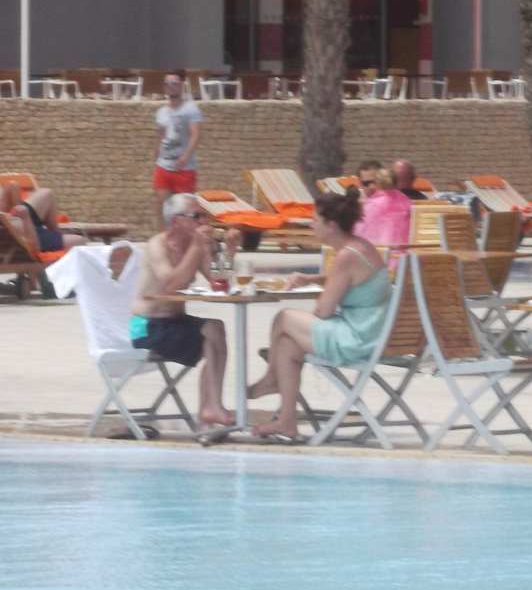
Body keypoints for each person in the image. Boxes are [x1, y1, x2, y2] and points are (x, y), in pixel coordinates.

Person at [247, 189, 390, 441]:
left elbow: (323, 312)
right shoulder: (360, 247)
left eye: (315, 220)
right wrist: (311, 279)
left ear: (331, 225)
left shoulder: (346, 256)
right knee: (287, 344)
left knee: (284, 318)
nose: (311, 224)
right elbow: (349, 279)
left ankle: (271, 379)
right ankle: (286, 422)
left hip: (359, 339)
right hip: (372, 332)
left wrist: (316, 305)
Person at [129, 193, 235, 427]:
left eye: (204, 216)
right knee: (211, 334)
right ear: (176, 221)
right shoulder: (157, 245)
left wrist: (230, 250)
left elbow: (219, 282)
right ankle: (210, 408)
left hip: (175, 321)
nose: (203, 222)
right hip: (147, 326)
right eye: (197, 216)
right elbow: (170, 285)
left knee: (215, 329)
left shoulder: (196, 245)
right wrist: (197, 248)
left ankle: (211, 407)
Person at [152, 70, 203, 225]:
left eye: (174, 83)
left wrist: (186, 155)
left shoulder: (190, 109)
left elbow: (195, 134)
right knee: (162, 205)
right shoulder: (162, 112)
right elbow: (160, 134)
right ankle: (164, 235)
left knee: (185, 207)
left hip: (184, 167)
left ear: (181, 85)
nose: (171, 86)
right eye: (167, 84)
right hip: (164, 164)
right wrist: (156, 152)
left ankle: (187, 236)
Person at [0, 181, 86, 257]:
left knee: (47, 193)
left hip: (19, 219)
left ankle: (55, 233)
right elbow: (34, 248)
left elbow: (11, 188)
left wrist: (20, 212)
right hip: (30, 236)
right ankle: (55, 235)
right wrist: (25, 218)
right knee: (80, 240)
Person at [354, 165, 411, 246]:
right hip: (404, 251)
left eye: (372, 182)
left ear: (377, 184)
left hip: (378, 250)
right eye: (366, 183)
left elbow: (359, 234)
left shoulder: (372, 204)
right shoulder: (406, 201)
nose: (371, 186)